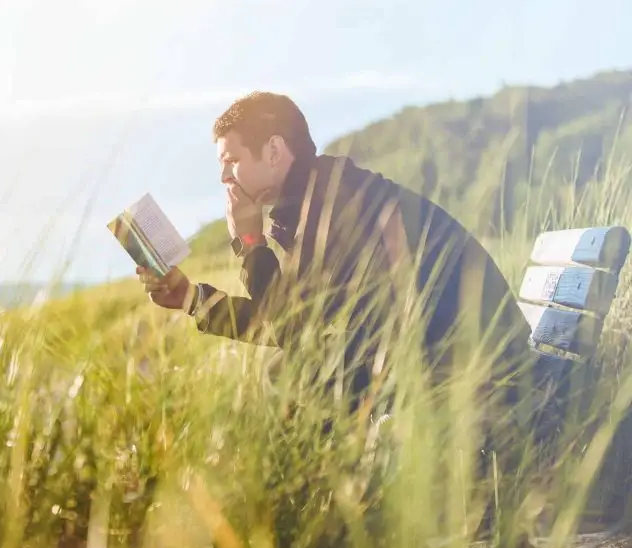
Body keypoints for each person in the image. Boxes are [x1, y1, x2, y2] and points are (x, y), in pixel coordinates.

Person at [138, 91, 536, 410]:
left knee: (294, 373)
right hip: (453, 358)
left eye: (232, 161)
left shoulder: (334, 202)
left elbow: (291, 327)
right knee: (300, 369)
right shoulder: (315, 198)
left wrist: (249, 241)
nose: (224, 177)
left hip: (484, 375)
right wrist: (191, 298)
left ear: (274, 150)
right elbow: (289, 318)